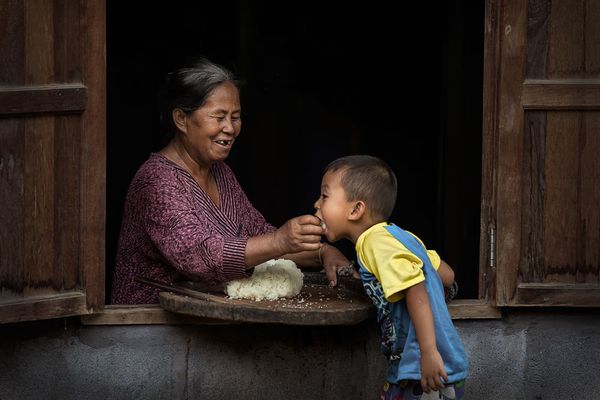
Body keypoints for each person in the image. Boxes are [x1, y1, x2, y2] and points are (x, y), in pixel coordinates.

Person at [111, 57, 350, 304]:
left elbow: (259, 236)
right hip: (146, 324)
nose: (230, 128)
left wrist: (322, 252)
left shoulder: (220, 172)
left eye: (235, 117)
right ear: (181, 119)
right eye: (219, 116)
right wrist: (279, 240)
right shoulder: (156, 181)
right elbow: (199, 257)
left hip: (203, 320)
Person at [313, 155, 468, 400]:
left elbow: (415, 287)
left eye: (324, 196)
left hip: (422, 369)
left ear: (355, 210)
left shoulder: (375, 243)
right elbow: (447, 275)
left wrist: (428, 352)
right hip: (440, 364)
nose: (316, 205)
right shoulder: (402, 238)